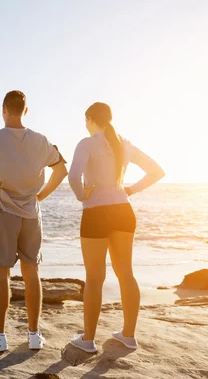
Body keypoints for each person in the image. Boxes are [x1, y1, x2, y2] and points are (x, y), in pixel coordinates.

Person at [0, 90, 68, 351]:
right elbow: (62, 169)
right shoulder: (41, 140)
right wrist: (39, 196)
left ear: (3, 109)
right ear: (26, 110)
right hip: (31, 214)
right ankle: (34, 335)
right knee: (32, 273)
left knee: (1, 275)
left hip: (2, 212)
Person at [68, 102, 164, 353]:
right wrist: (129, 190)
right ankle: (128, 335)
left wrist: (82, 195)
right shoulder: (124, 143)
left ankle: (88, 340)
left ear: (90, 119)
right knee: (126, 274)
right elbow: (157, 171)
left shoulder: (86, 143)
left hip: (96, 213)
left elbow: (73, 176)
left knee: (95, 278)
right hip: (124, 211)